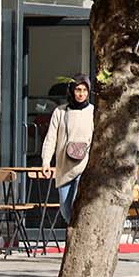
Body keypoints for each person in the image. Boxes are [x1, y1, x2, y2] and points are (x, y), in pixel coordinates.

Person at [40, 78, 95, 224]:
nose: (81, 94)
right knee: (65, 207)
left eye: (84, 90)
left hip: (84, 166)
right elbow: (51, 138)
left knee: (79, 206)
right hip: (64, 167)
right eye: (78, 90)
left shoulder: (93, 112)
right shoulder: (60, 112)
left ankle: (78, 235)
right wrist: (46, 162)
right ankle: (75, 232)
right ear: (72, 91)